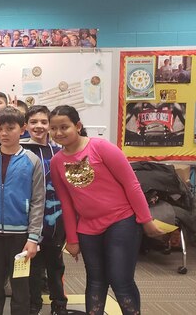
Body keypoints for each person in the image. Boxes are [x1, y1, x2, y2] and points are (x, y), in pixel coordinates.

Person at [48, 105, 163, 315]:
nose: (58, 133)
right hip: (88, 227)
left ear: (78, 126)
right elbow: (66, 202)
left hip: (121, 221)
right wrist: (72, 239)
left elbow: (131, 184)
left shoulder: (100, 147)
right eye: (53, 129)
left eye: (64, 127)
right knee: (96, 281)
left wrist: (146, 219)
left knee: (120, 280)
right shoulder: (56, 162)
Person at [0, 106, 45, 315]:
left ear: (22, 129)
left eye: (10, 128)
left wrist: (33, 238)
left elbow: (39, 200)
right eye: (0, 128)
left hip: (21, 235)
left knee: (20, 287)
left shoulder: (32, 161)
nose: (4, 133)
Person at [19, 106, 68, 315]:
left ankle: (59, 303)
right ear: (25, 126)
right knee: (33, 266)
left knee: (55, 264)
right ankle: (34, 304)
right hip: (29, 219)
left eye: (43, 122)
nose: (38, 126)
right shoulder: (20, 152)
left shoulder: (59, 151)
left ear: (49, 125)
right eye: (33, 122)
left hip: (55, 218)